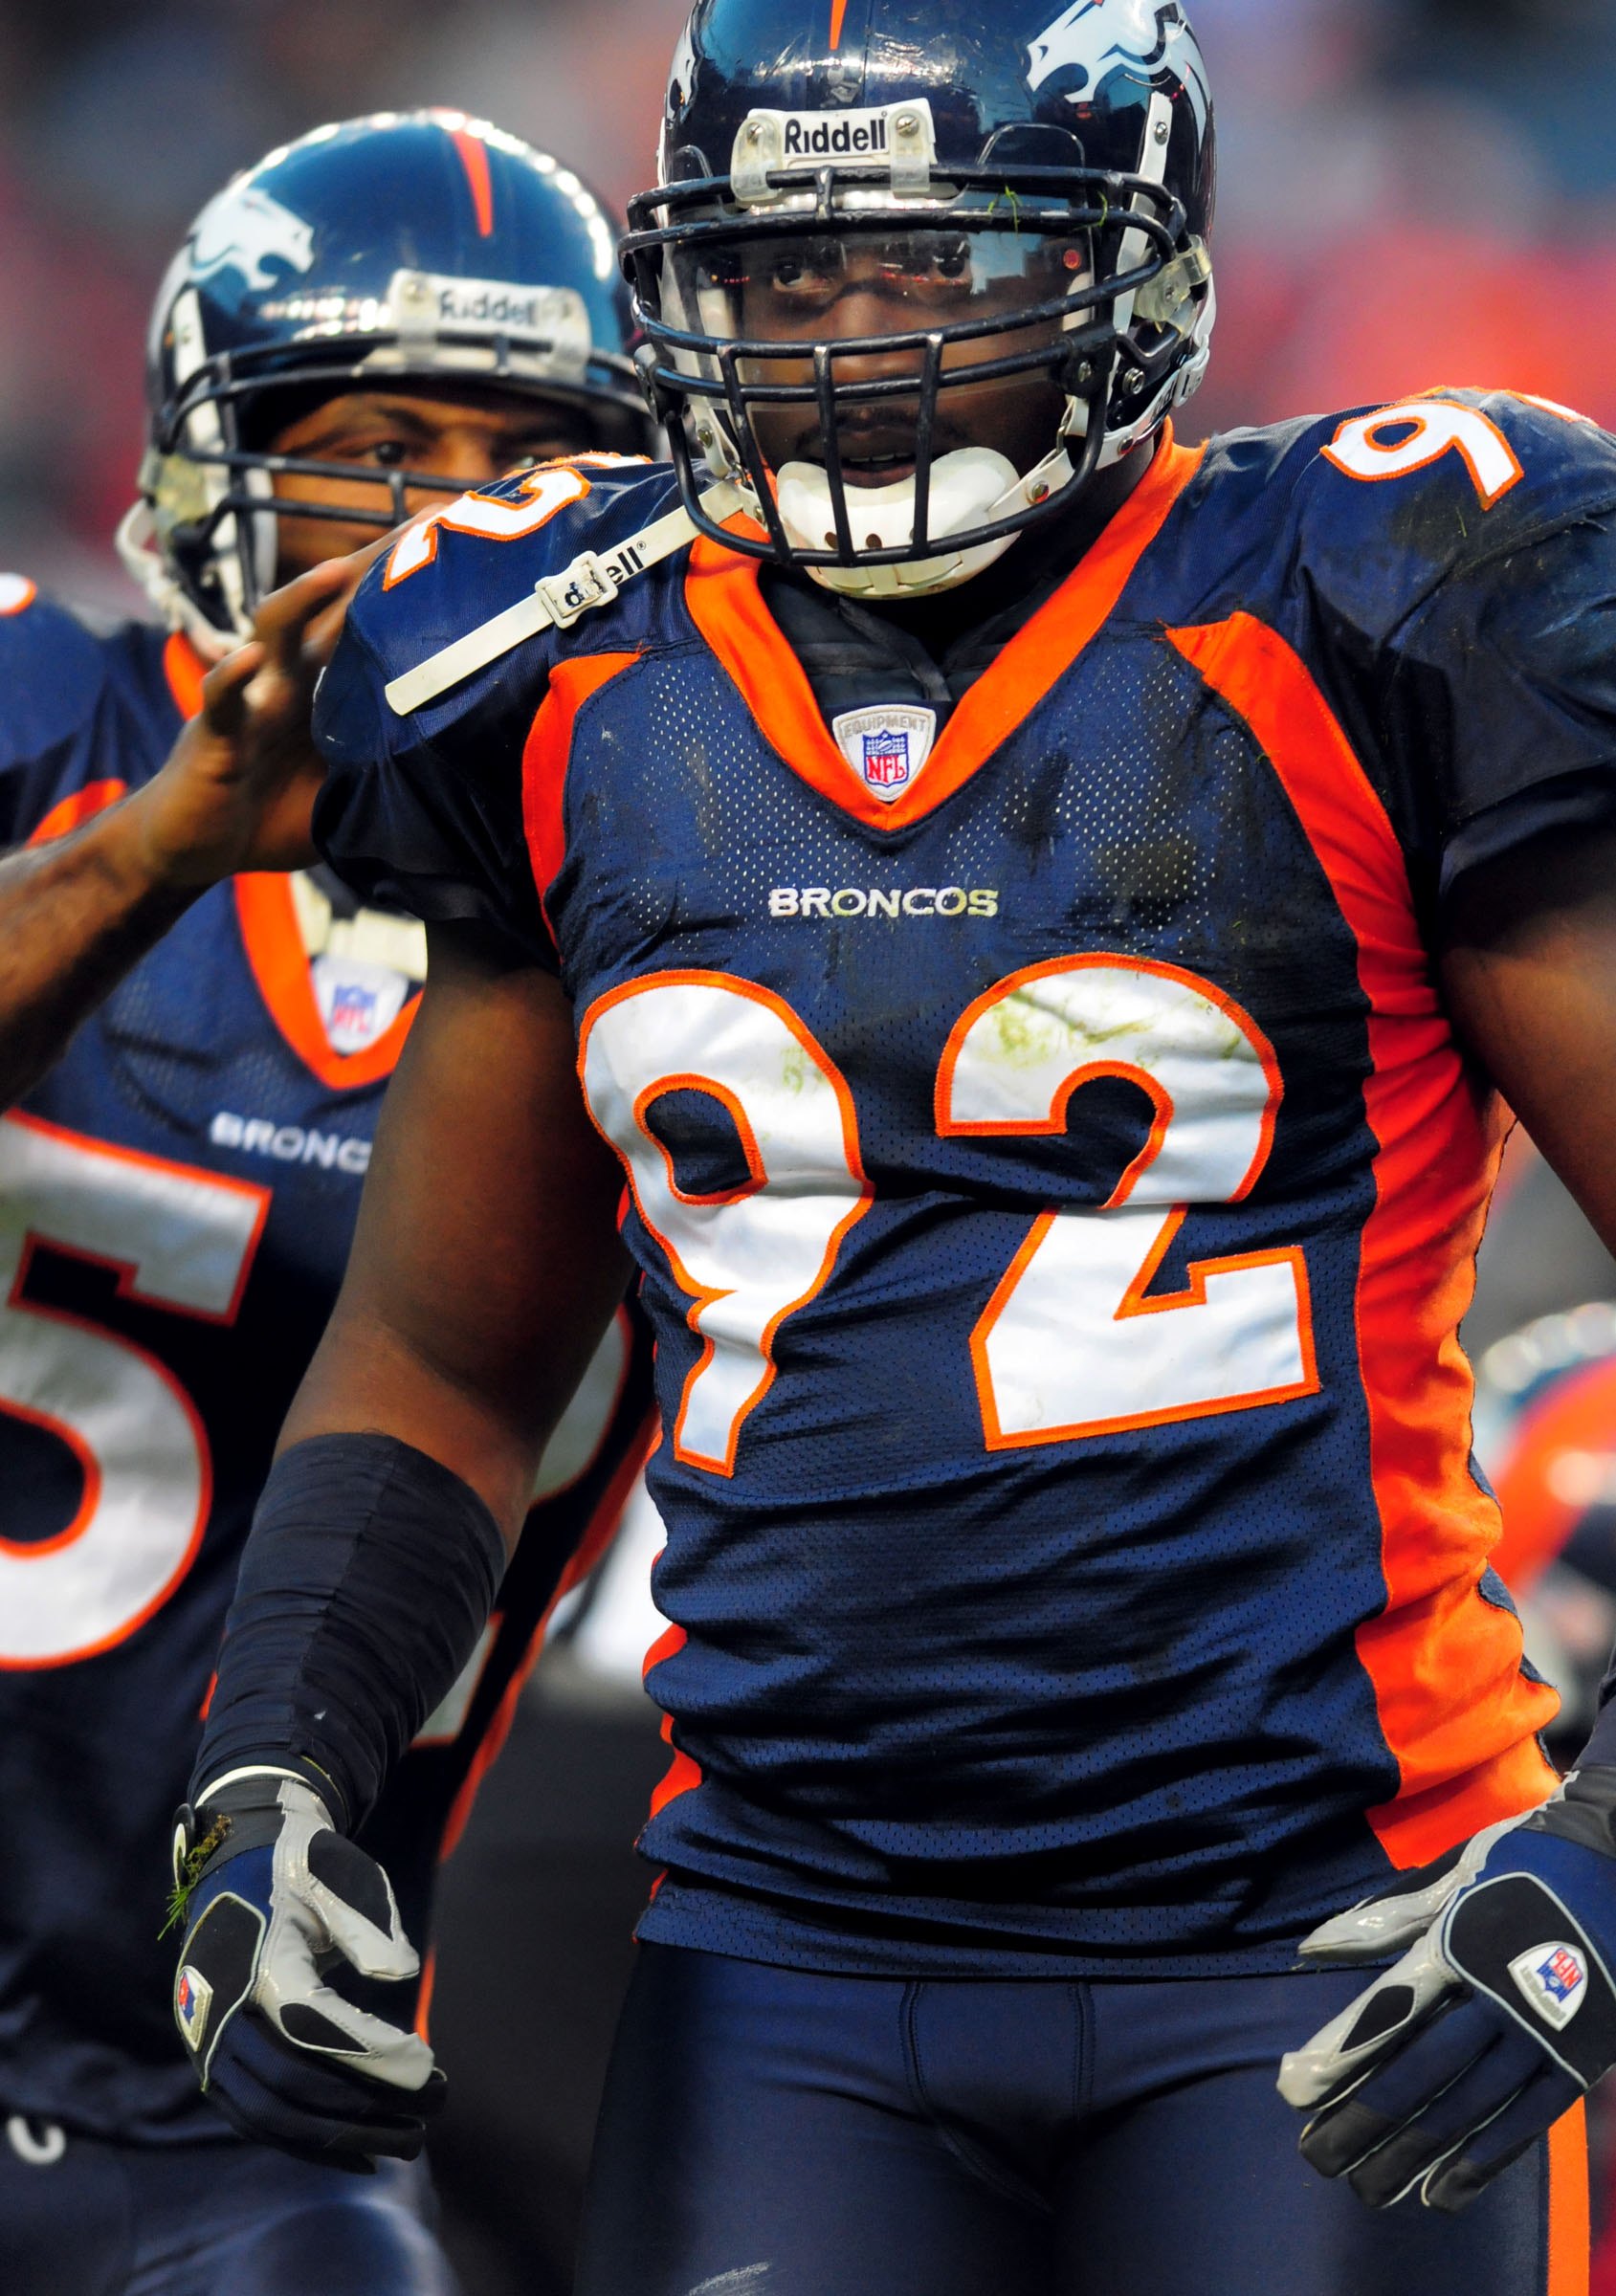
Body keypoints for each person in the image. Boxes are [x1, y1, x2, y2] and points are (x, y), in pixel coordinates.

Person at [166, 5, 1616, 2291]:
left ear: (1122, 268)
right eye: (791, 272)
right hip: (782, 1945)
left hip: (1324, 1915)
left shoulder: (1357, 603)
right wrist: (283, 1767)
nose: (855, 347)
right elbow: (450, 1348)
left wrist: (1602, 1849)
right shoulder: (552, 660)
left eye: (935, 265)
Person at [0, 111, 654, 2296]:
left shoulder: (670, 889)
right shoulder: (39, 724)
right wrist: (153, 852)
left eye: (518, 456)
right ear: (213, 463)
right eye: (373, 440)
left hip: (245, 2117)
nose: (444, 519)